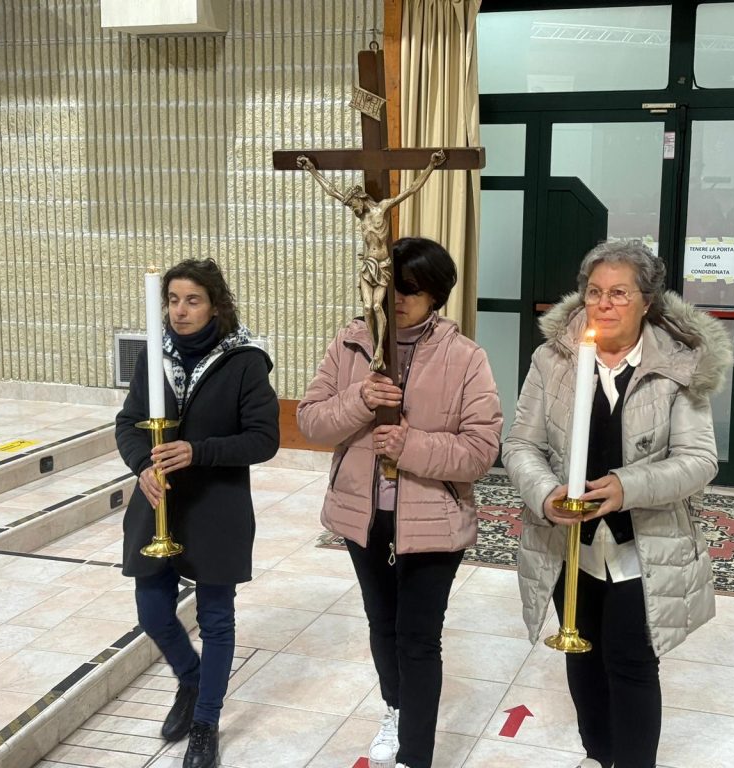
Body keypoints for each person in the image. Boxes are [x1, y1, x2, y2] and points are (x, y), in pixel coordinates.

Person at [502, 240, 733, 768]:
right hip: (568, 543)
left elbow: (699, 460)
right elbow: (520, 445)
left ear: (647, 301)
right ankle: (597, 754)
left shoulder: (679, 365)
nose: (603, 304)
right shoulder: (551, 359)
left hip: (642, 547)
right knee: (581, 654)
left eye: (619, 293)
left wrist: (628, 487)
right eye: (594, 292)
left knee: (630, 661)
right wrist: (544, 492)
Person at [297, 237, 503, 768]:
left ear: (435, 294)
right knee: (381, 623)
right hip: (363, 518)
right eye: (390, 288)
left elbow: (481, 452)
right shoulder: (351, 344)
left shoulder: (465, 358)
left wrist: (409, 446)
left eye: (410, 290)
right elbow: (310, 422)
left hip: (434, 520)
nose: (398, 300)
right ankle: (393, 707)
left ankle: (415, 753)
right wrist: (359, 399)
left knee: (418, 637)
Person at [115, 259, 279, 768]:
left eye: (192, 300)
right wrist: (142, 464)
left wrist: (197, 451)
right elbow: (129, 422)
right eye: (172, 300)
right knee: (152, 612)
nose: (180, 311)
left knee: (216, 621)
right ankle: (190, 680)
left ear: (215, 306)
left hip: (216, 505)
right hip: (158, 503)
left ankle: (206, 724)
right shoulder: (154, 355)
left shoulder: (245, 361)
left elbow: (264, 439)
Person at [297, 151, 445, 371]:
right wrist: (311, 169)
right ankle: (377, 348)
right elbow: (331, 191)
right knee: (367, 307)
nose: (353, 209)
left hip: (382, 265)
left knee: (377, 305)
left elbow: (411, 189)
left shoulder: (381, 208)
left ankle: (378, 351)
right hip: (368, 266)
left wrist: (431, 166)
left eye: (353, 204)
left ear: (361, 198)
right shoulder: (362, 215)